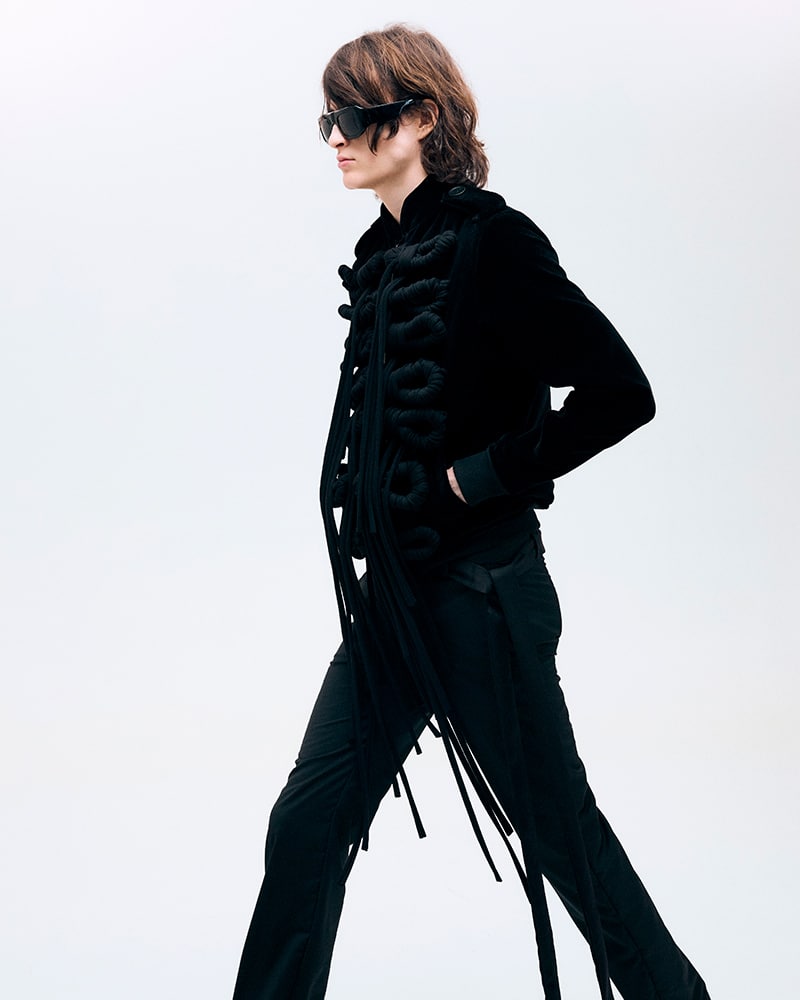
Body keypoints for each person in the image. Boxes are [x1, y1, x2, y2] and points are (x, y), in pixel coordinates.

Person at [232, 24, 711, 1000]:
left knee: (563, 839)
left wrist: (480, 476)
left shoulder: (494, 243)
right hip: (394, 605)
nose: (336, 137)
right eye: (327, 120)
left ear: (418, 117)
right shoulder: (382, 253)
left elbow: (619, 391)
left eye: (353, 116)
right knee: (307, 821)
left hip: (484, 593)